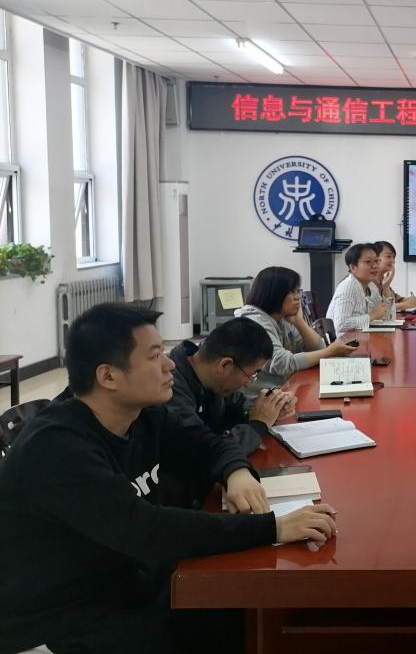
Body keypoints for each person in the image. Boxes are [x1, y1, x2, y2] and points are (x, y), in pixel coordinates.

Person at [0, 303, 338, 654]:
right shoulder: (56, 447)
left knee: (256, 613)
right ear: (108, 376)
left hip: (129, 583)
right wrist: (273, 528)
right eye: (154, 356)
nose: (170, 364)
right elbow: (148, 530)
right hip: (60, 619)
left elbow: (207, 444)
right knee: (237, 622)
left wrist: (235, 471)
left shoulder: (144, 414)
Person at [167, 317, 296, 458]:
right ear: (225, 365)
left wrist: (269, 408)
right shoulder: (169, 388)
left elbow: (237, 404)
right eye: (252, 374)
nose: (248, 383)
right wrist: (258, 425)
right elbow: (204, 452)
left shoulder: (212, 380)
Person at [235, 266, 356, 396]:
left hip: (283, 390)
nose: (298, 297)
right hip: (258, 399)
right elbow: (283, 364)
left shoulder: (283, 318)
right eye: (292, 292)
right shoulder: (253, 322)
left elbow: (317, 348)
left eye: (298, 291)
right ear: (274, 293)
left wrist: (299, 322)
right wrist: (329, 351)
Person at [326, 243, 392, 332]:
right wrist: (371, 316)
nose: (375, 266)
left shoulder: (371, 286)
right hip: (346, 339)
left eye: (376, 261)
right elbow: (340, 325)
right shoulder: (348, 287)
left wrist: (386, 286)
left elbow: (385, 314)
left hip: (362, 336)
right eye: (368, 262)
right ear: (353, 267)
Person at [372, 240, 416, 312]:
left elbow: (396, 300)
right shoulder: (367, 281)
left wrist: (412, 300)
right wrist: (405, 305)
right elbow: (377, 308)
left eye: (393, 257)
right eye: (388, 256)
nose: (393, 261)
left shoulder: (383, 279)